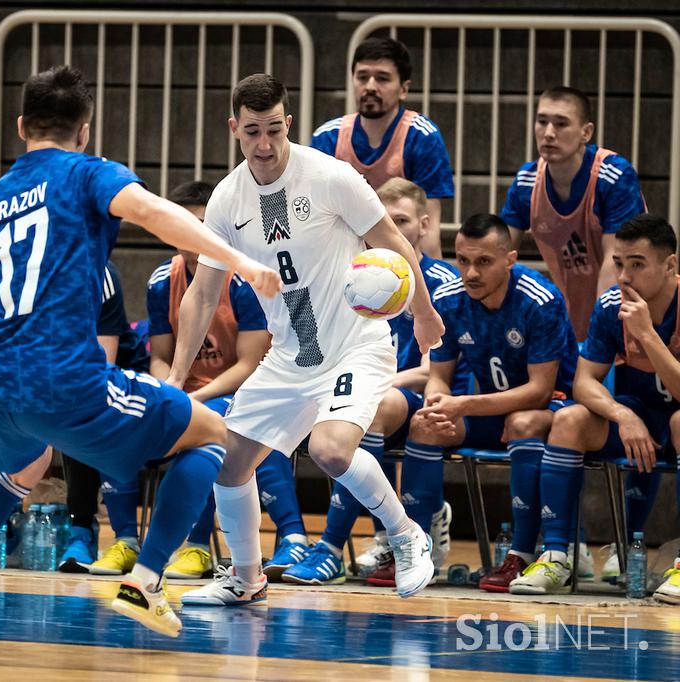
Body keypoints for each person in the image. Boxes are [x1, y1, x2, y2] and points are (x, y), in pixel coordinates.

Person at [0, 65, 281, 640]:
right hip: (64, 380)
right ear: (86, 130)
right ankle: (147, 580)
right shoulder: (87, 174)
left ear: (22, 126)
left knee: (24, 466)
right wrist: (239, 260)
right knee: (213, 434)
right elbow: (154, 212)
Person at [171, 73, 444, 609]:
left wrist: (424, 311)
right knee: (230, 462)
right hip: (290, 355)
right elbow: (203, 294)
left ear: (288, 123)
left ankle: (407, 535)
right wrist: (177, 380)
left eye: (275, 128)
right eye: (253, 132)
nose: (266, 144)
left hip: (354, 343)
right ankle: (246, 578)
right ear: (234, 130)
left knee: (329, 449)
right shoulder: (227, 199)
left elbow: (389, 239)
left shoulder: (329, 175)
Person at [82, 180, 308, 581]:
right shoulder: (160, 281)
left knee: (209, 427)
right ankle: (125, 540)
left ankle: (200, 545)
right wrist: (165, 389)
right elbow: (161, 357)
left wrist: (193, 397)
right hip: (188, 389)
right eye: (184, 225)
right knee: (119, 417)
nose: (193, 235)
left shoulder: (242, 280)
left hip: (242, 390)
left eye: (202, 224)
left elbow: (251, 363)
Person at [282, 178, 467, 585]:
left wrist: (372, 382)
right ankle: (294, 538)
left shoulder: (443, 284)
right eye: (385, 220)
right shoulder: (356, 276)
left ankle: (330, 548)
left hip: (424, 399)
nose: (393, 230)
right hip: (372, 392)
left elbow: (430, 371)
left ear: (424, 225)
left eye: (402, 220)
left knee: (374, 407)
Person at [389, 213, 578, 593]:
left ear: (510, 259)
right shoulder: (448, 299)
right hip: (489, 410)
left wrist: (464, 405)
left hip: (551, 411)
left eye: (483, 262)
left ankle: (520, 555)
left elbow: (540, 390)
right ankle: (414, 546)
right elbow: (439, 375)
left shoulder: (539, 300)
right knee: (426, 423)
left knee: (523, 421)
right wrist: (438, 401)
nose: (471, 272)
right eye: (462, 260)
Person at [509, 214, 680, 604]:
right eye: (619, 264)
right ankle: (556, 557)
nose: (624, 276)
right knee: (569, 419)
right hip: (637, 414)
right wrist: (622, 415)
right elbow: (584, 382)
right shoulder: (609, 307)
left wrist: (648, 337)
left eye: (637, 264)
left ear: (670, 265)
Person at [501, 86, 645, 341]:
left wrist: (601, 337)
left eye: (561, 124)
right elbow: (498, 256)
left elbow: (616, 262)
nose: (548, 133)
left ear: (585, 132)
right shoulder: (527, 181)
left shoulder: (613, 176)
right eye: (542, 121)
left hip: (630, 312)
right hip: (573, 314)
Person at [311, 37, 454, 259]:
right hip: (342, 262)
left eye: (382, 78)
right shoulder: (328, 137)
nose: (369, 86)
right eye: (362, 77)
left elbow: (429, 231)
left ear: (404, 89)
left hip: (403, 264)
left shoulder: (423, 137)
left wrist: (431, 287)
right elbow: (316, 223)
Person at [57, 261, 151, 573]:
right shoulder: (28, 270)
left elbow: (102, 363)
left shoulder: (100, 273)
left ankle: (84, 530)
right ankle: (2, 528)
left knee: (81, 409)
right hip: (63, 375)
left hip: (120, 377)